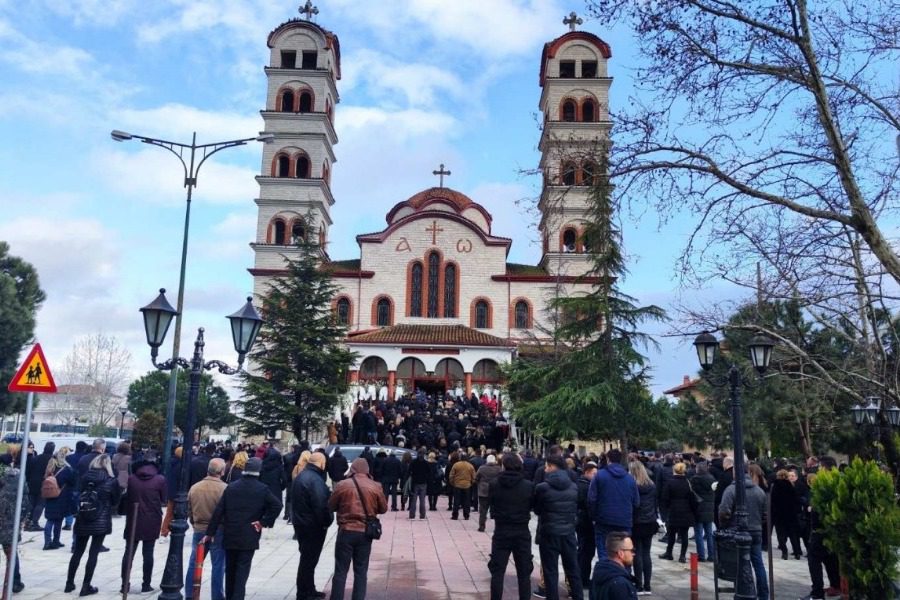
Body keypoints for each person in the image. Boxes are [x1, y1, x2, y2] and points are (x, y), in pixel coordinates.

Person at [206, 457, 283, 600]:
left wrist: (210, 532)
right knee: (242, 570)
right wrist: (263, 522)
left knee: (230, 569)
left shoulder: (231, 487)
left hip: (231, 533)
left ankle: (230, 596)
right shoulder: (262, 489)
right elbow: (277, 505)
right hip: (249, 534)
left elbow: (219, 511)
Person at [327, 457, 388, 600]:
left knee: (341, 570)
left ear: (352, 469)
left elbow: (331, 506)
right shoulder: (375, 486)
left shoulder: (343, 485)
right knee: (361, 571)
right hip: (365, 532)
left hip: (346, 530)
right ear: (367, 470)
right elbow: (383, 509)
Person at [66, 453, 121, 596]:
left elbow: (77, 493)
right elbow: (115, 501)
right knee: (93, 552)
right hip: (100, 519)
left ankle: (69, 583)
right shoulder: (111, 481)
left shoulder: (85, 478)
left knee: (78, 551)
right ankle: (86, 585)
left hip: (83, 516)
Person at [534, 455, 583, 600]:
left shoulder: (542, 488)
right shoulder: (574, 487)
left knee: (550, 571)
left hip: (549, 532)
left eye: (547, 466)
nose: (545, 469)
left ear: (552, 467)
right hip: (568, 532)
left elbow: (537, 509)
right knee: (573, 569)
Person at [487, 453, 534, 600]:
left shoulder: (494, 484)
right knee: (524, 573)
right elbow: (532, 506)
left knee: (497, 572)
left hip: (501, 530)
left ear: (504, 465)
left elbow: (492, 504)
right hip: (521, 531)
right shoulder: (528, 486)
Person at [719, 469, 769, 600]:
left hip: (737, 530)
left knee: (738, 563)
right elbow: (765, 514)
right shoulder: (759, 491)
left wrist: (725, 525)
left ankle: (741, 591)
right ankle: (763, 594)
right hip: (756, 530)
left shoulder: (731, 489)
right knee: (758, 563)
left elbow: (724, 511)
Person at [120, 458, 166, 594]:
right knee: (148, 553)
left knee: (129, 552)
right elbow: (164, 499)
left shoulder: (132, 479)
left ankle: (124, 584)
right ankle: (146, 584)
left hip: (133, 518)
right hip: (152, 519)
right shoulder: (160, 479)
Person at [291, 452, 332, 600]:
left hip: (301, 523)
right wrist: (327, 521)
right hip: (312, 526)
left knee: (307, 559)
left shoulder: (302, 476)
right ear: (321, 463)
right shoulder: (315, 480)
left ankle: (309, 589)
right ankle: (304, 593)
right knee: (308, 560)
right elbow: (321, 505)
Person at [185, 458, 227, 600]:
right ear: (222, 472)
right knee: (218, 565)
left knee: (194, 563)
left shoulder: (195, 487)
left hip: (199, 528)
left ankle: (190, 594)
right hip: (218, 530)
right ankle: (217, 596)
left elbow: (189, 510)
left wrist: (194, 523)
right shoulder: (224, 488)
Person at [588, 448, 639, 560]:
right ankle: (622, 571)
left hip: (603, 519)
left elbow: (591, 499)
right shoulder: (630, 479)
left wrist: (594, 516)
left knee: (604, 552)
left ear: (608, 459)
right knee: (624, 553)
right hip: (624, 520)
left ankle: (607, 570)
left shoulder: (599, 475)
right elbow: (636, 502)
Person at [658, 462, 698, 563]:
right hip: (686, 511)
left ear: (674, 470)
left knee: (671, 534)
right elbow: (692, 499)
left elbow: (665, 498)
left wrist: (665, 511)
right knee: (684, 535)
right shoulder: (688, 482)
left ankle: (669, 553)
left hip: (673, 511)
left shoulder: (670, 483)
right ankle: (682, 556)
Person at [628, 459, 657, 595]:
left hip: (637, 522)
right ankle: (648, 585)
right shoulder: (652, 485)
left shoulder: (632, 486)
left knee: (637, 553)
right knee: (646, 553)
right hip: (650, 521)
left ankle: (639, 585)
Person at [0, 463, 27, 593]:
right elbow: (26, 508)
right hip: (11, 528)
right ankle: (14, 582)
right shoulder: (21, 490)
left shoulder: (2, 488)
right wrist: (21, 521)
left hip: (3, 524)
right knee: (11, 555)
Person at [590, 532, 638, 600]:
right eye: (632, 550)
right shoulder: (620, 584)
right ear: (621, 553)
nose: (633, 554)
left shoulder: (599, 574)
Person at [43, 447, 75, 551]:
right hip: (62, 497)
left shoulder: (50, 468)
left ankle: (47, 542)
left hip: (50, 496)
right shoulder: (66, 469)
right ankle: (55, 541)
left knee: (50, 519)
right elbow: (72, 482)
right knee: (58, 520)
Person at [771, 468, 803, 560]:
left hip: (779, 515)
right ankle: (797, 553)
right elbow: (796, 500)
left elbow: (773, 501)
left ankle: (784, 552)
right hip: (791, 514)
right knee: (793, 535)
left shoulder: (775, 486)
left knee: (781, 535)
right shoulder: (791, 485)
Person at [575, 461, 597, 588]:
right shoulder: (585, 486)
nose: (596, 476)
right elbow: (586, 503)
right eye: (594, 473)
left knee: (585, 550)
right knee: (586, 551)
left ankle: (582, 577)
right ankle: (583, 578)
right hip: (585, 522)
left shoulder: (582, 483)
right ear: (587, 472)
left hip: (582, 521)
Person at [690, 460, 717, 562]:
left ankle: (701, 555)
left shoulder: (694, 479)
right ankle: (711, 555)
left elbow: (692, 494)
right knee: (709, 533)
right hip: (709, 508)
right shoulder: (712, 479)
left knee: (698, 533)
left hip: (698, 508)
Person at [26, 441, 54, 531]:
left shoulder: (36, 458)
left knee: (32, 503)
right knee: (40, 503)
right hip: (44, 484)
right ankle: (34, 523)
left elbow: (29, 471)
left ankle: (28, 521)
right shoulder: (52, 460)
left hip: (32, 483)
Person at [475, 454, 502, 532]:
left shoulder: (482, 468)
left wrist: (479, 484)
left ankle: (482, 526)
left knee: (483, 510)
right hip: (495, 491)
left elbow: (476, 478)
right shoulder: (499, 469)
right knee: (496, 510)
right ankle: (497, 527)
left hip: (483, 491)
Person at [449, 453, 475, 520]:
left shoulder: (456, 465)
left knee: (456, 501)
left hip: (457, 485)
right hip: (467, 485)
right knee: (466, 501)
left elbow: (451, 475)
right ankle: (466, 515)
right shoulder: (470, 466)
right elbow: (473, 476)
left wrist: (452, 483)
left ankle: (455, 515)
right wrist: (471, 483)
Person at [408, 448, 430, 520]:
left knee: (413, 500)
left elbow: (409, 471)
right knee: (422, 500)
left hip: (415, 482)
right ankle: (422, 515)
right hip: (423, 483)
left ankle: (412, 515)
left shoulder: (413, 462)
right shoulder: (426, 463)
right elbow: (429, 473)